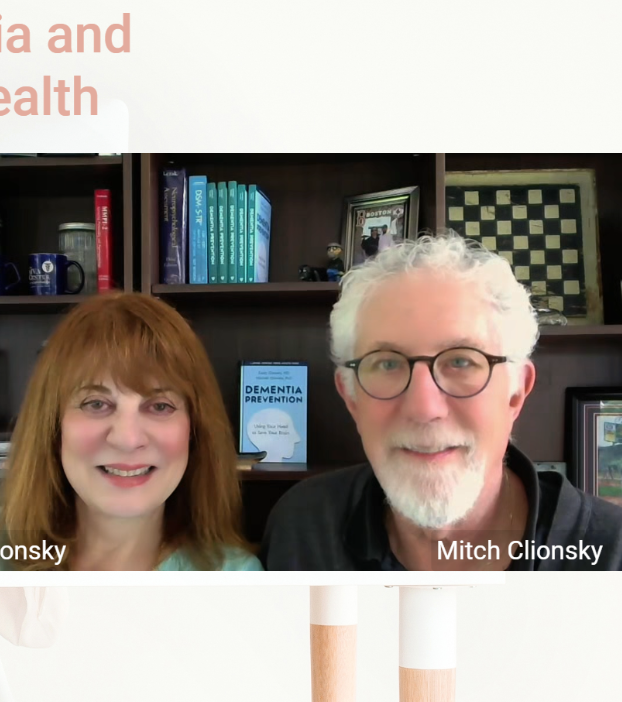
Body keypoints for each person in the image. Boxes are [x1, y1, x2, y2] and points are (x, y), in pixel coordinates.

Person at [261, 232, 622, 570]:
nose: (424, 408)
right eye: (387, 363)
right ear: (351, 398)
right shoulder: (303, 531)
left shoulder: (609, 554)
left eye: (462, 361)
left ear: (516, 393)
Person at [0, 292, 261, 571]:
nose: (127, 438)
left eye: (160, 406)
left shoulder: (237, 580)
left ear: (195, 431)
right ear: (52, 426)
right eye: (96, 404)